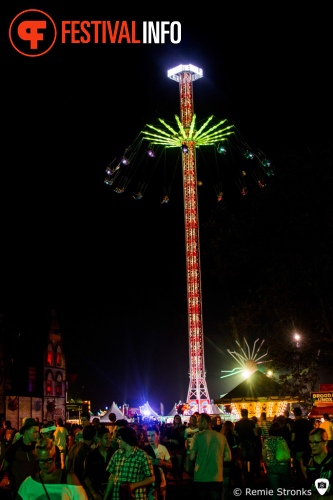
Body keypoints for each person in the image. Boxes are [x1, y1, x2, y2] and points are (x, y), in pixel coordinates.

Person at [16, 437, 88, 499]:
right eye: (42, 461)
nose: (46, 464)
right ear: (37, 459)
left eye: (49, 460)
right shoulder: (29, 483)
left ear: (54, 457)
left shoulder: (69, 479)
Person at [103, 426, 155, 499]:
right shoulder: (117, 454)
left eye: (120, 439)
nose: (117, 441)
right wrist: (105, 497)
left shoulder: (142, 456)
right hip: (117, 497)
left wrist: (133, 485)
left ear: (126, 440)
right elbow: (112, 477)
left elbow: (151, 478)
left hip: (136, 497)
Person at [189, 413, 231, 500]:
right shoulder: (221, 437)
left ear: (204, 422)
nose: (197, 424)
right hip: (216, 477)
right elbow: (228, 457)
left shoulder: (197, 437)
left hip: (200, 477)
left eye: (198, 421)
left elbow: (191, 457)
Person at [0, 417, 40, 496]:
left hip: (36, 492)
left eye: (38, 432)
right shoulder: (13, 449)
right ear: (26, 431)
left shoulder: (37, 448)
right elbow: (3, 469)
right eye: (35, 432)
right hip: (19, 493)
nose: (37, 434)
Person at [262, 421, 291, 500]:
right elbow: (287, 452)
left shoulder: (267, 441)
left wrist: (267, 462)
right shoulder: (282, 440)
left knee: (275, 491)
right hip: (284, 466)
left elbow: (264, 455)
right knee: (286, 489)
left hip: (272, 467)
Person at [302, 427, 333, 499]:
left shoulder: (331, 460)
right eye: (310, 442)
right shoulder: (307, 460)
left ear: (325, 442)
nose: (312, 445)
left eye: (316, 442)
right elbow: (308, 483)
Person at [84, 426, 113, 500]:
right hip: (97, 492)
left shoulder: (114, 453)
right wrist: (93, 493)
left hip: (112, 492)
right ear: (99, 439)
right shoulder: (91, 455)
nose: (109, 440)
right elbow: (86, 476)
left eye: (110, 438)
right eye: (106, 438)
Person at [144, 426, 172, 500]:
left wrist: (163, 463)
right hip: (150, 484)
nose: (150, 438)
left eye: (152, 435)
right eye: (148, 436)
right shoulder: (144, 450)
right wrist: (152, 463)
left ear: (158, 435)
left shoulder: (163, 448)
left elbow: (170, 465)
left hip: (162, 482)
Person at [291, 407, 313, 487]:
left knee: (299, 467)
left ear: (294, 413)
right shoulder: (307, 422)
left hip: (298, 448)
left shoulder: (295, 424)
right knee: (308, 465)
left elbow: (293, 437)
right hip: (308, 448)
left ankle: (300, 484)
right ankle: (309, 481)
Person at [162, 414, 186, 489]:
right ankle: (176, 483)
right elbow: (165, 439)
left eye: (179, 418)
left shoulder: (183, 428)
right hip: (172, 450)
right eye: (176, 418)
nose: (178, 419)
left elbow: (181, 440)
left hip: (180, 450)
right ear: (174, 419)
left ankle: (179, 485)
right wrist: (171, 440)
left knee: (179, 468)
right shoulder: (170, 429)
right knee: (172, 468)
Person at [234, 408, 256, 487]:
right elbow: (255, 433)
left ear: (241, 414)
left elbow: (235, 433)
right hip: (250, 442)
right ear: (247, 413)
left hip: (242, 442)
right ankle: (250, 473)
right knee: (250, 458)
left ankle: (244, 474)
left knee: (243, 458)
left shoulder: (238, 423)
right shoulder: (251, 422)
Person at [221, 420, 242, 499]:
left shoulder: (221, 437)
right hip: (233, 461)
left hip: (223, 462)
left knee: (225, 485)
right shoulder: (234, 437)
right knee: (236, 482)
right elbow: (238, 448)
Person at [184, 414, 199, 479]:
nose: (193, 421)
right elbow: (185, 439)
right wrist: (185, 445)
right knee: (188, 468)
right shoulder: (187, 430)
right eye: (191, 419)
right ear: (190, 420)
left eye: (194, 419)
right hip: (189, 451)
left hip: (198, 451)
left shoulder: (199, 430)